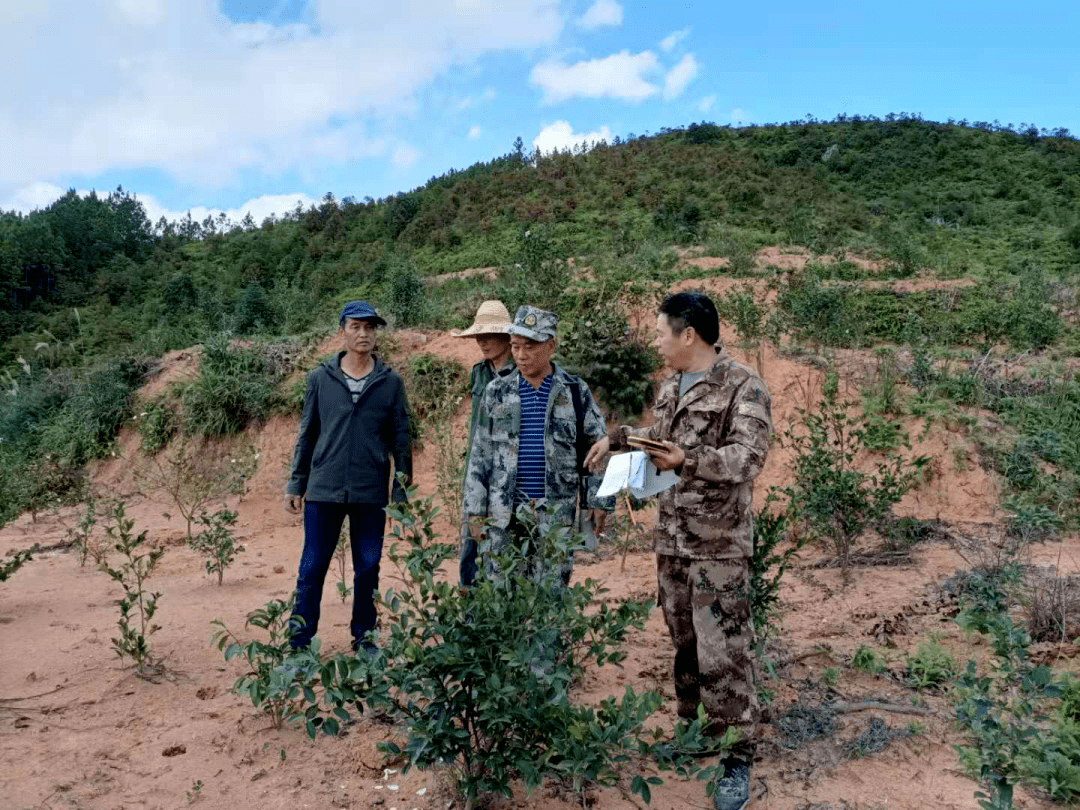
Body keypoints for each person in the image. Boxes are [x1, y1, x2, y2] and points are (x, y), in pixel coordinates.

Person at [585, 291, 771, 810]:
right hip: (672, 539)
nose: (656, 341)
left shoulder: (743, 385)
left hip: (718, 544)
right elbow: (662, 437)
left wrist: (688, 459)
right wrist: (620, 439)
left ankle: (737, 755)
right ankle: (693, 732)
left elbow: (747, 457)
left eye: (661, 331)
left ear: (688, 333)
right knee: (683, 638)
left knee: (724, 649)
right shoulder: (671, 385)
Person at [285, 300, 412, 655]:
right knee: (311, 567)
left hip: (370, 492)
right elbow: (308, 433)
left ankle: (365, 638)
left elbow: (401, 442)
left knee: (368, 567)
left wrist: (400, 494)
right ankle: (299, 643)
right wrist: (297, 482)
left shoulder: (390, 383)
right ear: (341, 331)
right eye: (356, 326)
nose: (364, 333)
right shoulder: (320, 378)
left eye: (370, 327)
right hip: (323, 489)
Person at [463, 305, 609, 583]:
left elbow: (597, 450)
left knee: (551, 600)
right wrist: (474, 510)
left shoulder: (575, 391)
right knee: (503, 596)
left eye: (529, 347)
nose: (520, 354)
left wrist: (598, 501)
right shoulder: (497, 391)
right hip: (504, 517)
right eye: (516, 346)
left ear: (551, 345)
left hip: (555, 518)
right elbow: (480, 456)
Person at [451, 300, 516, 586]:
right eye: (479, 334)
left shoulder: (522, 372)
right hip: (477, 474)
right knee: (471, 551)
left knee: (506, 555)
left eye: (490, 334)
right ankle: (471, 625)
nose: (483, 341)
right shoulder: (478, 373)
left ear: (507, 335)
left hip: (510, 478)